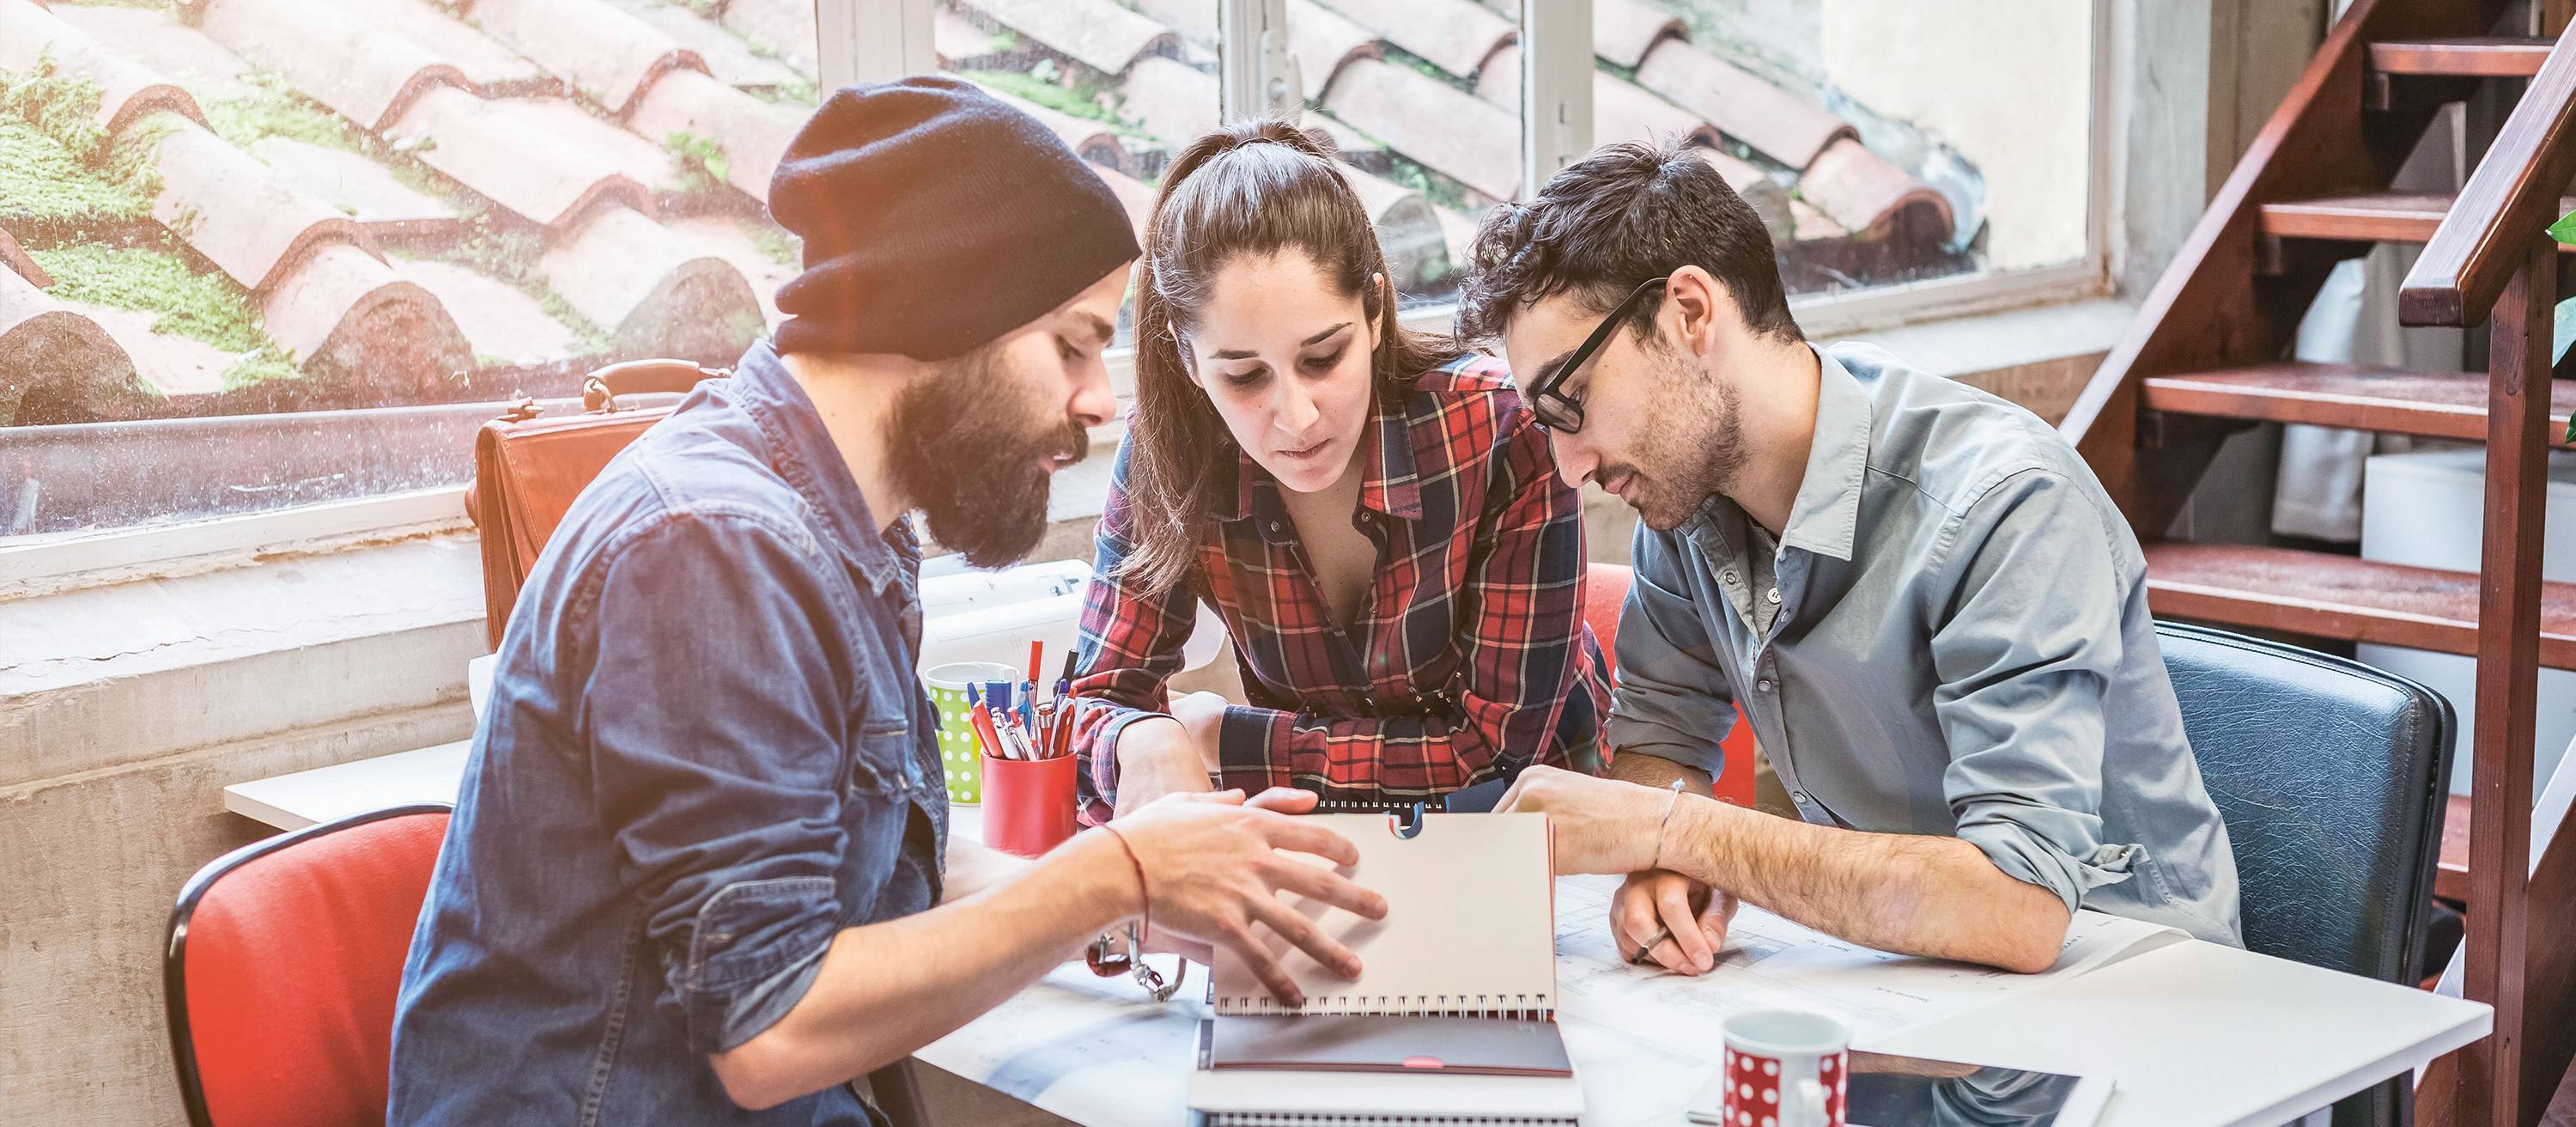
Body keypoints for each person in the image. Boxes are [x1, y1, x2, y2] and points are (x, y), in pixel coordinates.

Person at [386, 79, 1386, 1126]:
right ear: (947, 312)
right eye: (1073, 342)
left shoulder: (846, 528)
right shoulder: (711, 546)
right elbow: (768, 1029)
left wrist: (1159, 908)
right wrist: (1119, 870)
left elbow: (889, 866)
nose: (1098, 397)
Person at [1462, 139, 2241, 976]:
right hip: (1914, 985)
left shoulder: (2006, 505)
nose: (1570, 468)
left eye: (1568, 402)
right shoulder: (1684, 506)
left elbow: (2018, 904)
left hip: (2137, 991)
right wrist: (1667, 864)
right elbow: (1664, 743)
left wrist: (1680, 833)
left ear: (1691, 314)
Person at [1065, 121, 1612, 822]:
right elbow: (1093, 702)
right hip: (1328, 843)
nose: (1295, 416)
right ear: (1188, 358)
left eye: (1323, 358)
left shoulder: (1504, 433)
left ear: (1376, 312)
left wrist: (1218, 736)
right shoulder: (1166, 456)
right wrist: (1139, 737)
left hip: (1540, 845)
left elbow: (1495, 751)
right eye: (1243, 375)